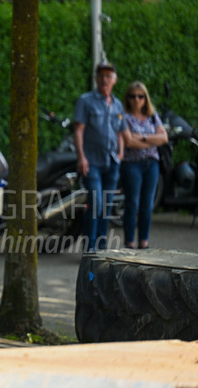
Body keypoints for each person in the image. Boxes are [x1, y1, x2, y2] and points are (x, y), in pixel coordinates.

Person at [74, 61, 129, 252]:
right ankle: (89, 247)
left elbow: (120, 131)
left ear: (115, 80)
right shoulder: (86, 101)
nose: (105, 79)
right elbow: (79, 130)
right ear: (96, 78)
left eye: (108, 76)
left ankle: (101, 245)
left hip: (112, 162)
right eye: (101, 75)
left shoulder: (118, 105)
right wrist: (81, 157)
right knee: (96, 203)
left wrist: (120, 153)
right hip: (92, 162)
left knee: (106, 205)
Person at [120, 81, 168, 249]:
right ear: (128, 98)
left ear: (145, 98)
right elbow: (129, 142)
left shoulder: (153, 116)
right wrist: (152, 139)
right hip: (132, 164)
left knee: (147, 205)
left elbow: (164, 138)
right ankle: (129, 242)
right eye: (133, 96)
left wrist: (142, 137)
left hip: (151, 164)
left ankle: (144, 242)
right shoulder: (124, 117)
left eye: (141, 96)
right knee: (132, 203)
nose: (137, 100)